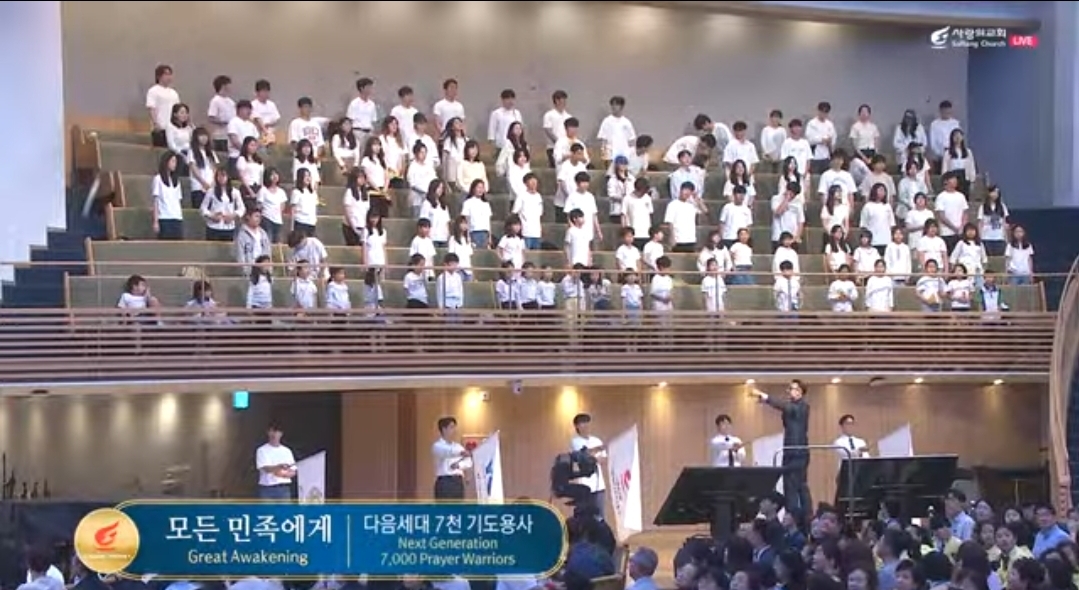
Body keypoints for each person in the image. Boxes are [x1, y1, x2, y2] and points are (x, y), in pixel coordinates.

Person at [750, 381, 811, 514]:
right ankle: (801, 516)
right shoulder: (794, 406)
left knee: (794, 486)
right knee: (796, 485)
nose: (789, 391)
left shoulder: (802, 406)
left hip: (796, 452)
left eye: (792, 389)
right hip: (792, 452)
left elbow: (785, 407)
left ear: (800, 392)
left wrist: (765, 397)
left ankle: (796, 517)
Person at [570, 413, 608, 517]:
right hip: (584, 486)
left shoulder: (596, 440)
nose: (585, 425)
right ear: (577, 426)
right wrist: (596, 454)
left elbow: (604, 459)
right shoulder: (575, 441)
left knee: (600, 516)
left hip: (599, 486)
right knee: (586, 516)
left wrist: (595, 458)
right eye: (582, 423)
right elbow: (582, 456)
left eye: (587, 422)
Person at [432, 416, 471, 500]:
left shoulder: (458, 446)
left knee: (458, 506)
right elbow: (447, 452)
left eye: (454, 427)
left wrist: (459, 465)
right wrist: (460, 453)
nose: (454, 430)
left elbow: (468, 462)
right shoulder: (437, 446)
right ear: (444, 429)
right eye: (451, 427)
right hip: (445, 482)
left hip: (458, 482)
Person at [255, 423, 296, 500]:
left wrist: (283, 474)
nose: (274, 434)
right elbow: (265, 468)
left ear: (281, 434)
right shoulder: (261, 450)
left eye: (277, 432)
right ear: (268, 433)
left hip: (284, 488)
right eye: (272, 431)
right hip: (267, 489)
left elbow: (293, 471)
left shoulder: (287, 451)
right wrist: (279, 467)